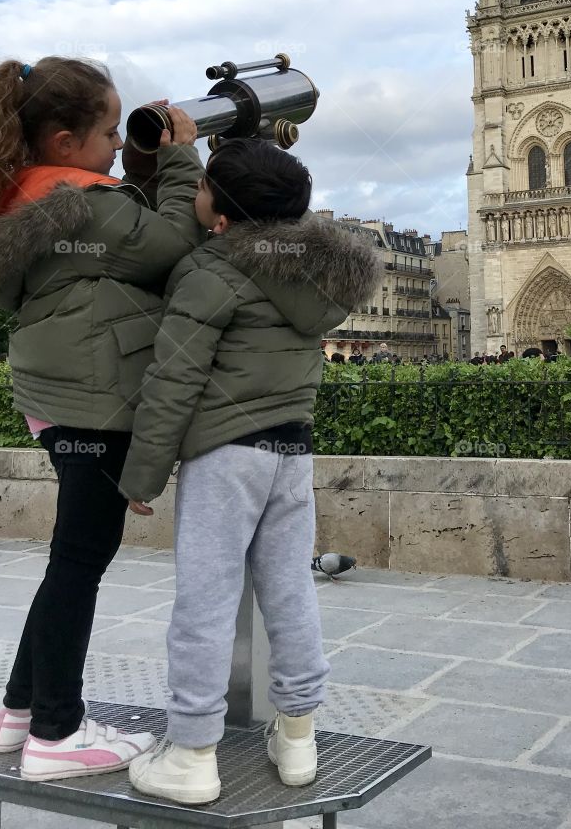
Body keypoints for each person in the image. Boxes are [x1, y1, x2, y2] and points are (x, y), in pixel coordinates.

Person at [119, 138, 381, 804]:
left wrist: (142, 475)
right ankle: (298, 739)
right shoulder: (312, 277)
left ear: (221, 217)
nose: (197, 193)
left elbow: (173, 379)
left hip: (226, 454)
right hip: (292, 452)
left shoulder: (210, 275)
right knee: (290, 592)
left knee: (204, 602)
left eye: (204, 186)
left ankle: (193, 753)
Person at [0, 56, 203, 780]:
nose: (115, 143)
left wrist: (132, 169)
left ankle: (19, 709)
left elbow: (115, 242)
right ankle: (56, 732)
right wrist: (177, 162)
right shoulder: (84, 199)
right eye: (108, 131)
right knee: (79, 560)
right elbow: (169, 245)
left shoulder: (25, 196)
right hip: (96, 395)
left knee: (67, 559)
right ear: (64, 141)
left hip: (52, 394)